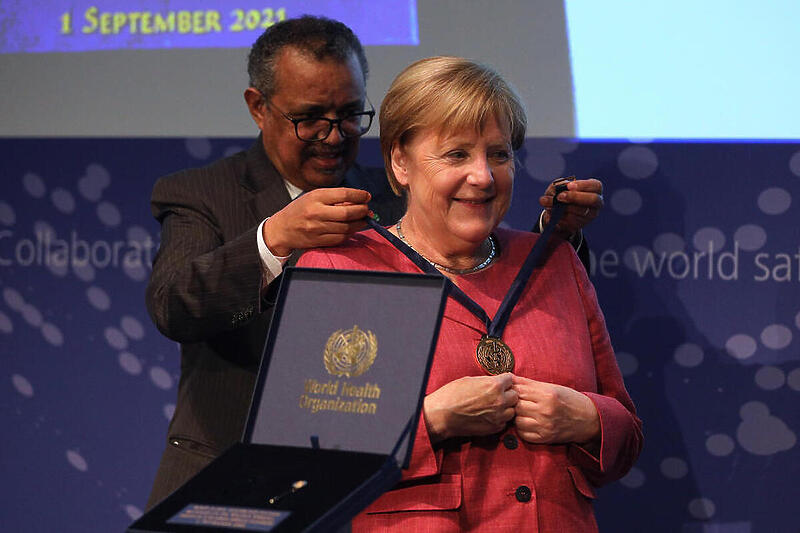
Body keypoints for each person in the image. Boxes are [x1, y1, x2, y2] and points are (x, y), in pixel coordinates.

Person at [144, 16, 603, 509]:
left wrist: (552, 239)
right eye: (310, 117)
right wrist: (273, 240)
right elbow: (174, 305)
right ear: (259, 107)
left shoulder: (394, 196)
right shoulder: (201, 194)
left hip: (372, 489)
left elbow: (476, 281)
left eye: (349, 114)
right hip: (231, 476)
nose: (334, 134)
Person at [296, 56, 642, 532]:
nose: (483, 176)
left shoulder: (552, 261)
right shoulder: (345, 268)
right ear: (400, 161)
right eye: (456, 155)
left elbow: (627, 437)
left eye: (498, 154)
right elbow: (307, 458)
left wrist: (588, 419)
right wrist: (432, 419)